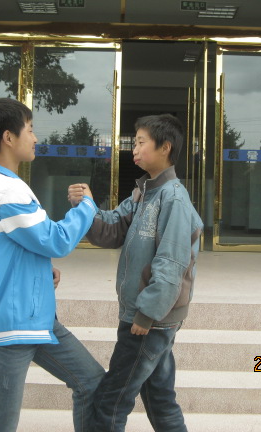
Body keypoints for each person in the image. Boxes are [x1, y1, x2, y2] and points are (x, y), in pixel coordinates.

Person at [0, 97, 104, 432]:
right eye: (29, 130)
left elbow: (14, 247)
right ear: (8, 137)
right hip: (9, 328)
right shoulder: (4, 190)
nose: (35, 138)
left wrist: (39, 271)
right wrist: (87, 206)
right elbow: (56, 240)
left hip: (35, 321)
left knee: (91, 381)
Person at [70, 113, 203, 432]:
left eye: (142, 142)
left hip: (149, 321)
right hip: (147, 315)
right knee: (159, 398)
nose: (135, 148)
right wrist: (86, 206)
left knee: (111, 402)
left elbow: (171, 263)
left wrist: (146, 315)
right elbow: (112, 229)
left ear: (165, 147)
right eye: (135, 142)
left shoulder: (173, 198)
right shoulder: (145, 192)